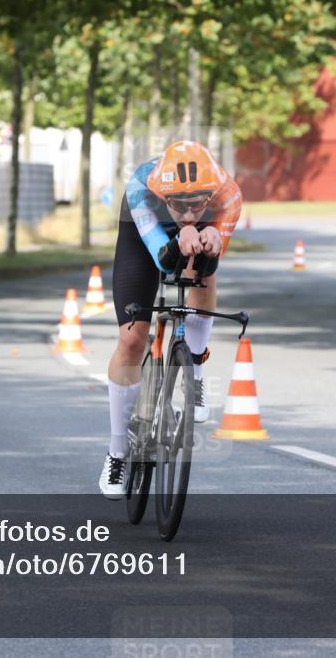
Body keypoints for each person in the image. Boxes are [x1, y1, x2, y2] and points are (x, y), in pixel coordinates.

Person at [100, 140, 242, 499]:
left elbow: (208, 263)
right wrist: (179, 239)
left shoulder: (228, 195)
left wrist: (213, 237)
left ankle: (195, 369)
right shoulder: (141, 188)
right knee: (132, 339)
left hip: (199, 233)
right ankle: (117, 452)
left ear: (212, 194)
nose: (189, 212)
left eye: (198, 203)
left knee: (203, 271)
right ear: (164, 196)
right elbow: (163, 261)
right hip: (144, 236)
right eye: (179, 204)